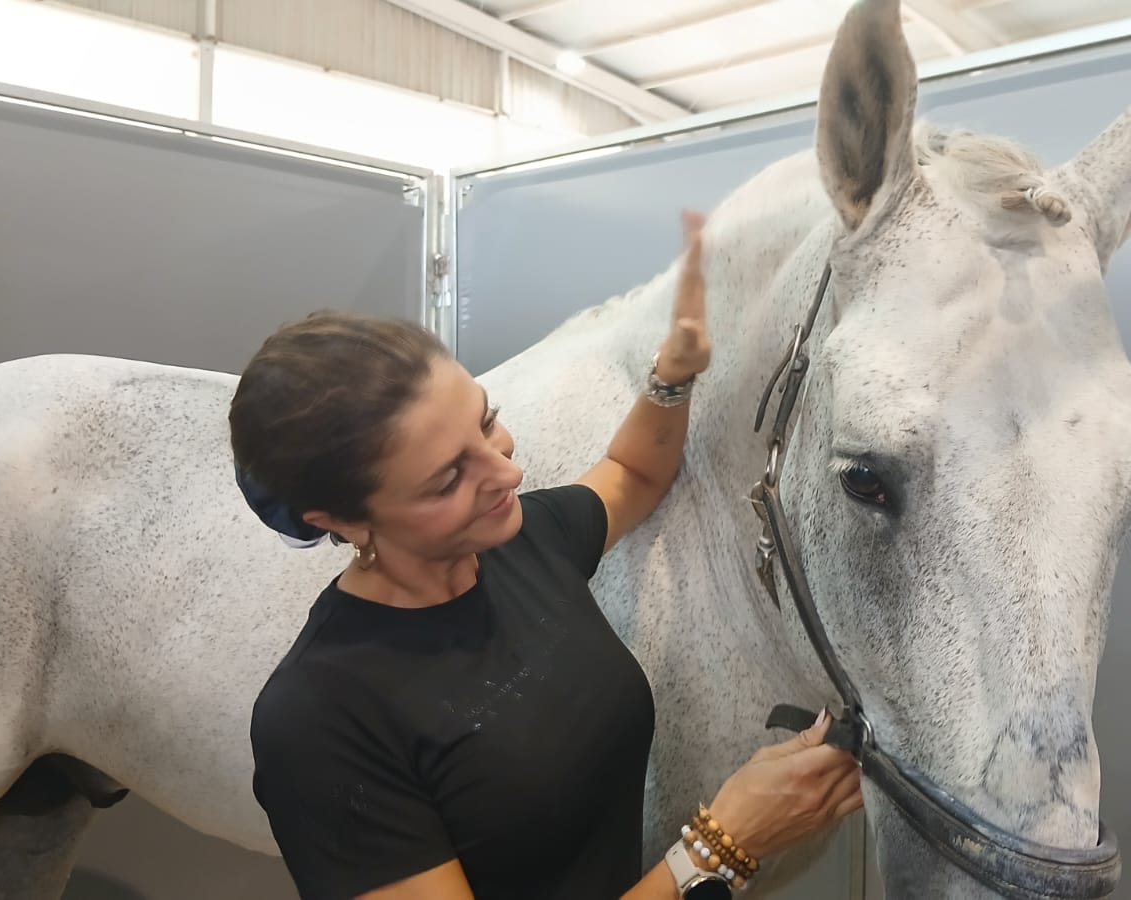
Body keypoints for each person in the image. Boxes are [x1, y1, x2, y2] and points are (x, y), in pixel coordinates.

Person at [228, 210, 863, 900]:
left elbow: (631, 473)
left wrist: (672, 373)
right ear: (346, 521)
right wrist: (724, 845)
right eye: (448, 479)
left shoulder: (521, 542)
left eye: (486, 420)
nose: (507, 473)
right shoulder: (322, 719)